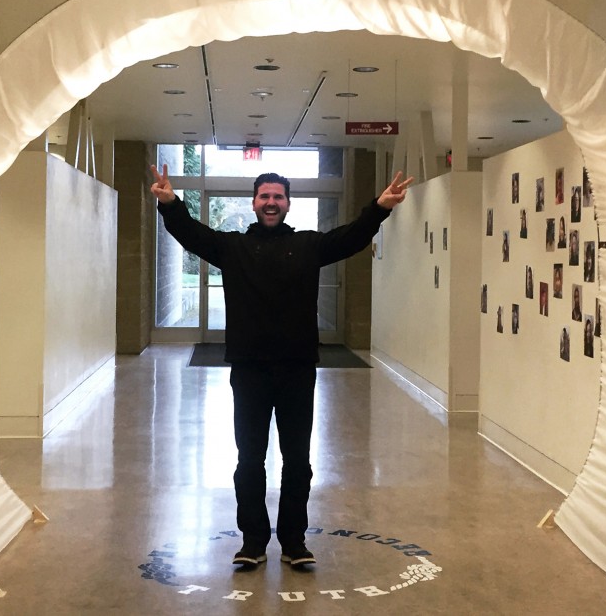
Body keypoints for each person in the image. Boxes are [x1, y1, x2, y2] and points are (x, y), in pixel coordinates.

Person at [151, 166, 412, 568]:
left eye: (278, 197)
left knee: (297, 461)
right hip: (250, 370)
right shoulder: (232, 247)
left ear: (288, 204)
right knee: (249, 460)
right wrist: (169, 203)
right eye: (264, 197)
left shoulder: (309, 245)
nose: (271, 203)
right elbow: (190, 234)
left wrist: (379, 208)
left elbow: (352, 237)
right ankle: (253, 543)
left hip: (296, 369)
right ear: (254, 203)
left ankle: (293, 543)